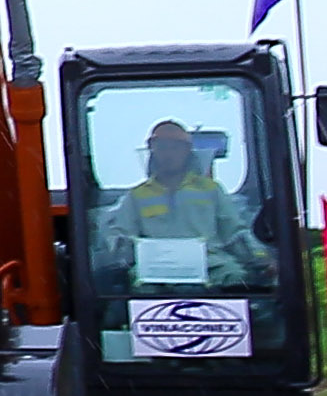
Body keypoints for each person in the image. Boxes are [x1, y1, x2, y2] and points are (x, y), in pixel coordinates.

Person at [99, 117, 263, 286]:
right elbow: (121, 237)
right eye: (162, 147)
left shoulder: (211, 190)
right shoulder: (137, 196)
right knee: (137, 288)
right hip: (155, 270)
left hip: (210, 265)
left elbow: (234, 233)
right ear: (152, 149)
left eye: (175, 147)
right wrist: (121, 252)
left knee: (235, 276)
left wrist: (260, 259)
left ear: (187, 150)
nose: (168, 154)